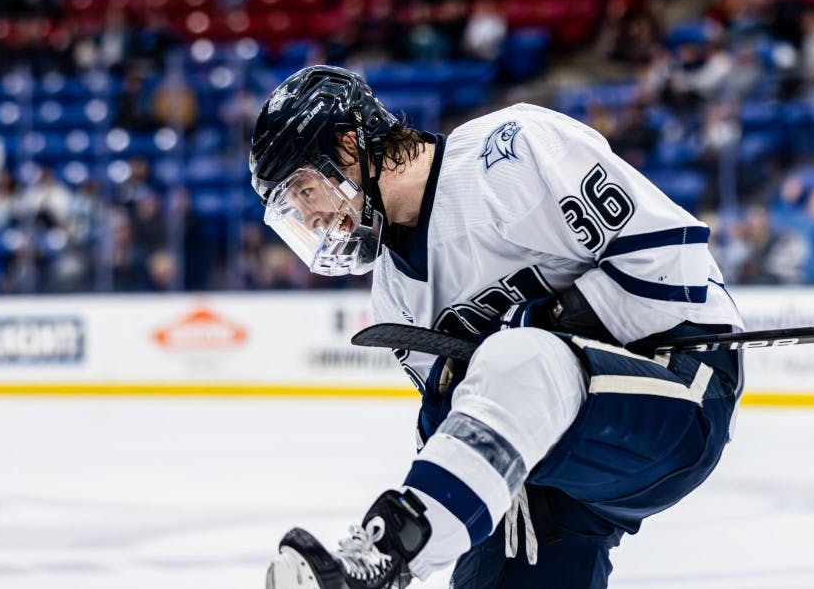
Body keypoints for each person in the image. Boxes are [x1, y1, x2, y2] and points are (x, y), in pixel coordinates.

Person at [250, 66, 744, 589]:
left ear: (350, 145)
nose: (309, 219)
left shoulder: (510, 154)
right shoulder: (393, 295)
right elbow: (471, 424)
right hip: (552, 464)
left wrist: (547, 323)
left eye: (305, 191)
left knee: (521, 354)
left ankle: (386, 558)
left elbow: (671, 262)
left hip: (679, 387)